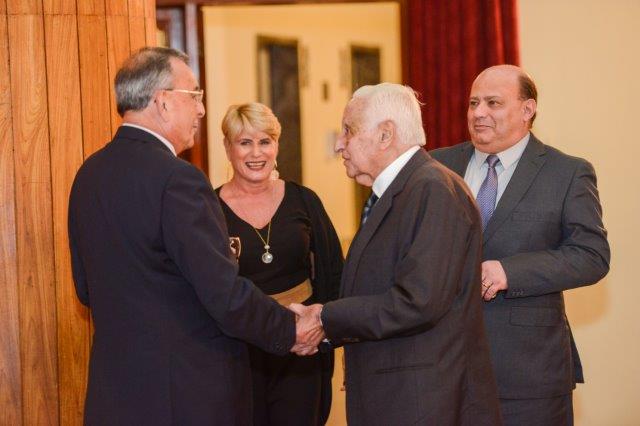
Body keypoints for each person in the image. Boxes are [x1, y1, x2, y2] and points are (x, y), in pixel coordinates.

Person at [67, 47, 319, 426]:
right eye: (195, 96)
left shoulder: (89, 175)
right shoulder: (178, 179)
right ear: (163, 102)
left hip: (116, 394)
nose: (201, 110)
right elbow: (223, 295)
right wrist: (289, 328)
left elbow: (86, 288)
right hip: (185, 396)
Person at [292, 83, 502, 425]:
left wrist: (325, 317)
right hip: (398, 397)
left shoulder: (433, 190)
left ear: (385, 135)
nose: (339, 144)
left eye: (349, 130)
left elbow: (418, 302)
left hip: (423, 403)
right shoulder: (402, 190)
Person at [430, 64, 611, 425]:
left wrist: (508, 272)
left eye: (493, 103)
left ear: (527, 110)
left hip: (529, 374)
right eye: (473, 103)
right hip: (443, 371)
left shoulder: (567, 173)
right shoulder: (436, 166)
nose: (478, 113)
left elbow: (592, 256)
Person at [215, 102, 343, 425]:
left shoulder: (304, 200)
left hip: (301, 349)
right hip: (238, 353)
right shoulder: (209, 210)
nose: (256, 153)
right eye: (245, 142)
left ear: (277, 145)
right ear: (228, 148)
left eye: (265, 141)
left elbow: (333, 272)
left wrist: (323, 326)